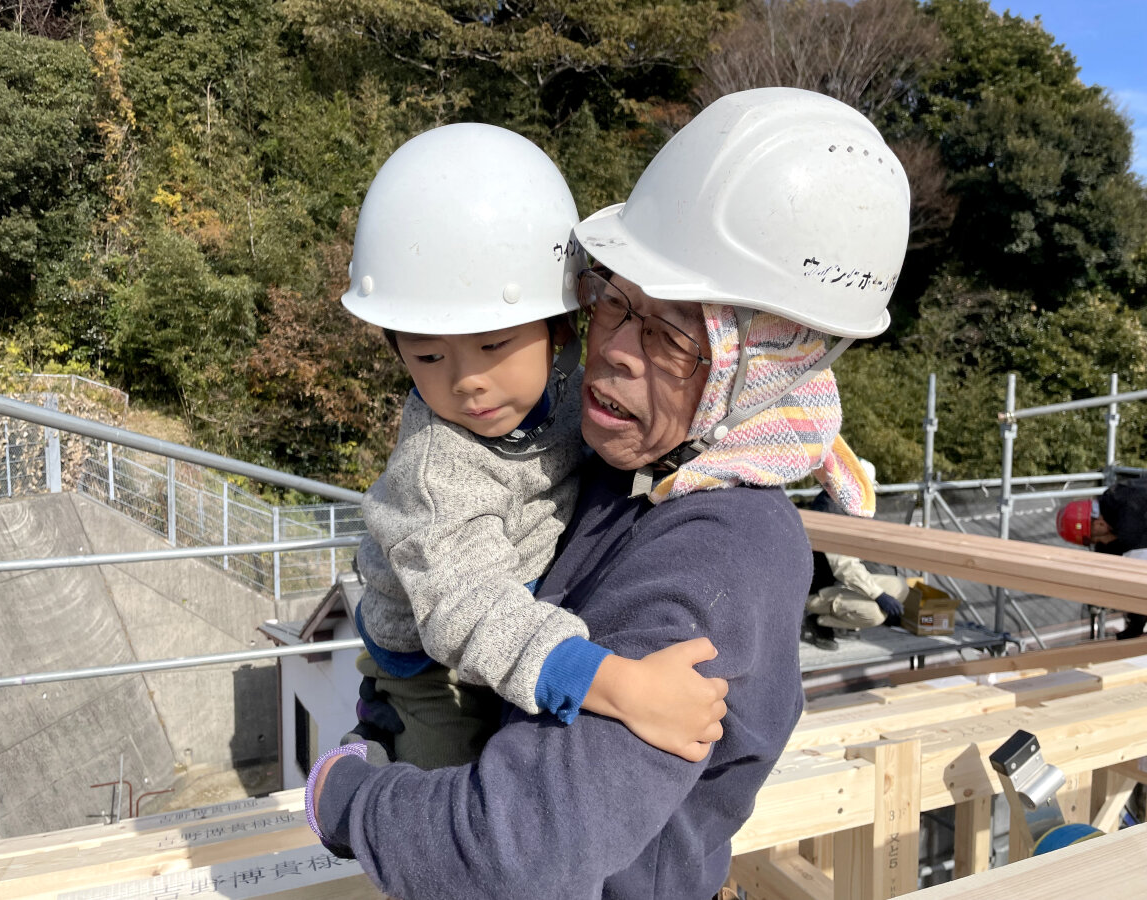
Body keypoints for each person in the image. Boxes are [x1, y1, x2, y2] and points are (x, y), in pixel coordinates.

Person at [306, 87, 911, 899]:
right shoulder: (630, 459)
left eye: (669, 334)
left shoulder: (717, 556)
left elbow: (509, 855)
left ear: (759, 369)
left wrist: (347, 803)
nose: (614, 351)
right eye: (615, 302)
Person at [340, 122, 726, 770]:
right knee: (450, 771)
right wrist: (618, 686)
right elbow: (469, 612)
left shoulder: (574, 395)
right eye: (429, 355)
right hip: (430, 651)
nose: (466, 381)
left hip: (517, 588)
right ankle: (365, 757)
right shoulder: (438, 473)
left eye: (493, 346)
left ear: (559, 329)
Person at [802, 460, 908, 651]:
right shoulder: (829, 511)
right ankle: (818, 621)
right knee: (874, 614)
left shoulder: (845, 505)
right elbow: (844, 566)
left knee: (901, 587)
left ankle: (843, 615)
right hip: (816, 590)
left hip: (837, 583)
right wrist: (878, 595)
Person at [1056, 479, 1147, 640]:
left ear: (1099, 525)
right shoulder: (1114, 515)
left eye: (1095, 540)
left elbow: (1139, 575)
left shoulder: (1130, 521)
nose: (1100, 543)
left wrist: (1136, 624)